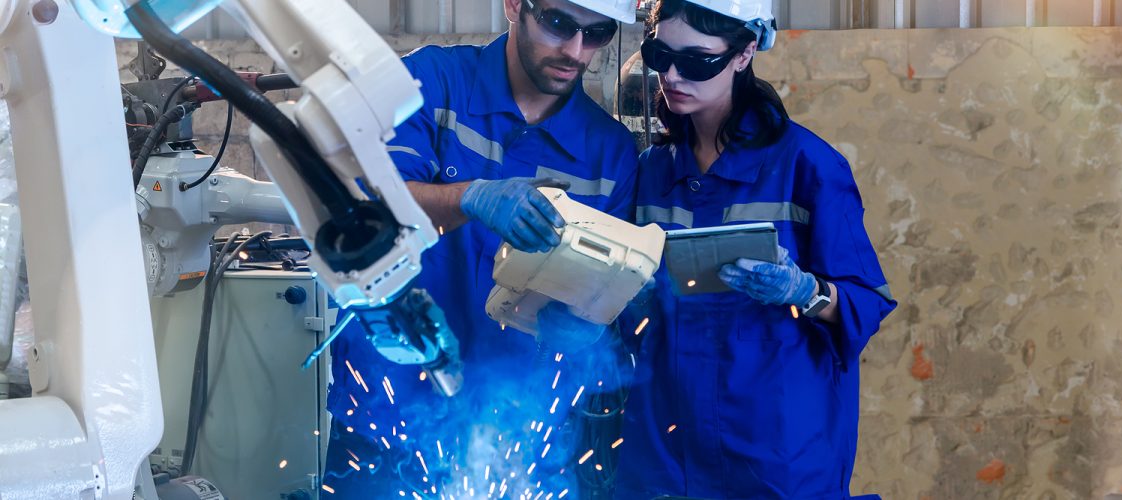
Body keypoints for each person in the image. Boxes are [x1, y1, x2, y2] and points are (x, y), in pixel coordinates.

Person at [320, 0, 640, 497]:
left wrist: (584, 330)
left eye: (596, 33)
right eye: (559, 24)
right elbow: (368, 209)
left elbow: (607, 297)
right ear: (515, 5)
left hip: (517, 432)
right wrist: (466, 197)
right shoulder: (432, 80)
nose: (576, 51)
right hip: (386, 413)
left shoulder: (609, 152)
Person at [616, 0, 898, 498]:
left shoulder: (807, 166)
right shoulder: (653, 170)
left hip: (774, 456)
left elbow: (866, 305)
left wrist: (805, 290)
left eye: (698, 60)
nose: (673, 75)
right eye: (661, 56)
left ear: (745, 54)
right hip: (666, 453)